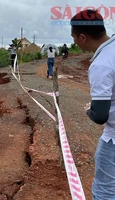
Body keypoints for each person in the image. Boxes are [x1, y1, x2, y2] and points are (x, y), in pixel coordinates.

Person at [71, 9, 115, 199]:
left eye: (73, 37)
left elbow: (99, 115)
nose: (73, 41)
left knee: (104, 191)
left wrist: (90, 109)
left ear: (82, 37)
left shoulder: (101, 64)